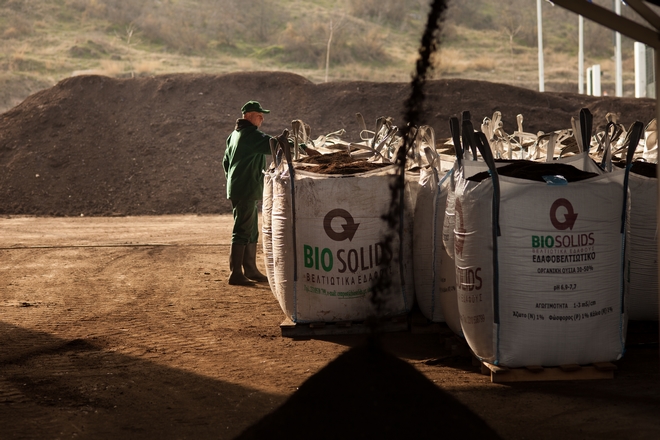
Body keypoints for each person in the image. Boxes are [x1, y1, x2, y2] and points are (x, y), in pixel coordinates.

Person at [223, 100, 274, 286]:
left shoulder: (234, 135)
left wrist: (233, 181)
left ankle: (250, 269)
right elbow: (272, 144)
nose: (262, 119)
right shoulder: (250, 135)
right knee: (243, 229)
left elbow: (225, 163)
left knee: (251, 229)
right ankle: (236, 273)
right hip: (245, 189)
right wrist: (299, 146)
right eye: (259, 115)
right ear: (248, 116)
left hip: (240, 188)